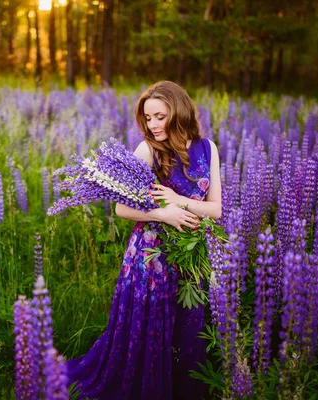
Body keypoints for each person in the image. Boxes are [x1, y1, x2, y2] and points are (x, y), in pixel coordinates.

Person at [66, 81, 222, 399]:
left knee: (188, 328)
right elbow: (123, 208)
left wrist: (177, 201)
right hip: (152, 256)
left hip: (192, 256)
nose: (152, 125)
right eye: (148, 118)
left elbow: (216, 210)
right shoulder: (147, 150)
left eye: (160, 116)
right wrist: (163, 214)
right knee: (153, 329)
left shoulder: (208, 148)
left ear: (178, 112)